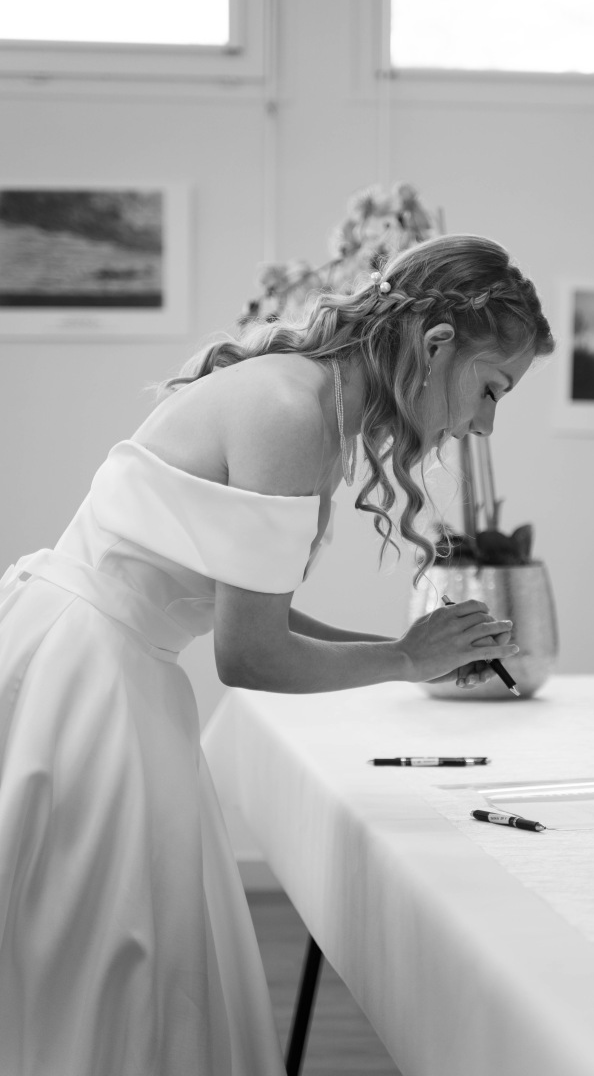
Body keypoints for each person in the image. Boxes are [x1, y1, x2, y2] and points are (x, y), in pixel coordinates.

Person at [0, 233, 554, 1076]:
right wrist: (405, 661)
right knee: (110, 960)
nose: (483, 423)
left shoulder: (303, 393)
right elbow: (249, 656)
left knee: (87, 955)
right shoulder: (295, 412)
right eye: (492, 389)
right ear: (438, 344)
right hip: (90, 680)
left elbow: (255, 609)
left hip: (79, 651)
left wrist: (415, 653)